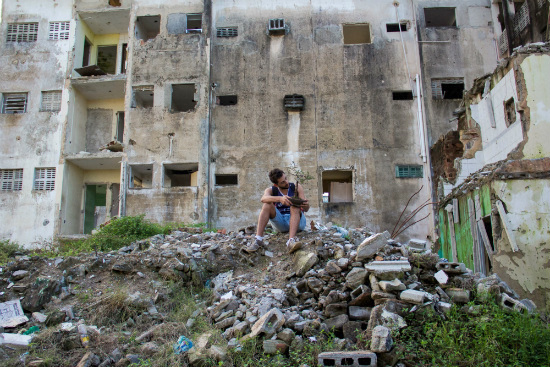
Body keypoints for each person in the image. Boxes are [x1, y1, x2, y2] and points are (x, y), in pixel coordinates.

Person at [244, 168, 310, 254]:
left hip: (297, 222)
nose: (286, 182)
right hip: (280, 222)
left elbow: (306, 209)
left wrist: (306, 205)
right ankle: (258, 239)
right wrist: (279, 199)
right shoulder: (271, 190)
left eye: (286, 178)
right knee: (267, 204)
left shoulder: (296, 187)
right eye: (282, 182)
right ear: (276, 184)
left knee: (294, 207)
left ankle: (291, 240)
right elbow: (263, 199)